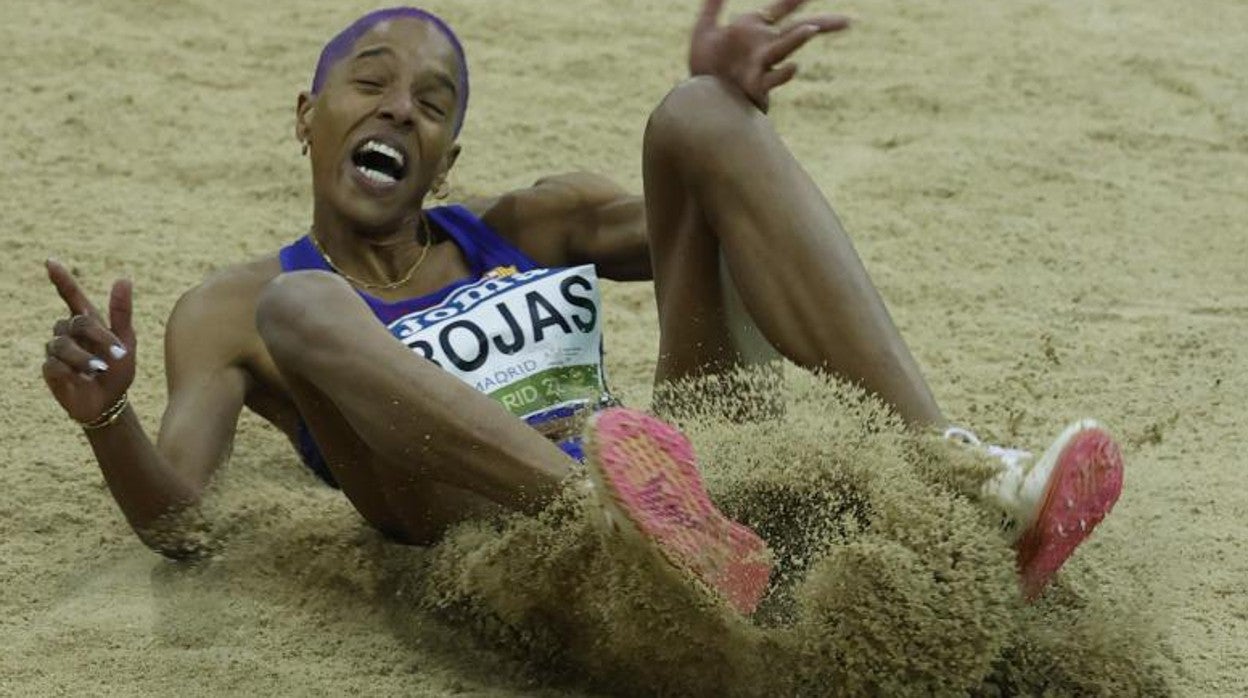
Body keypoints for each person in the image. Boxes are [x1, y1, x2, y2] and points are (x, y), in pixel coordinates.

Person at [41, 1, 1121, 614]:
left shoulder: (526, 224)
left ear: (445, 159)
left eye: (431, 103)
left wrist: (733, 118)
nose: (396, 109)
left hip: (690, 468)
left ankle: (960, 470)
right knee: (306, 304)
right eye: (369, 82)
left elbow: (729, 227)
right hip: (490, 519)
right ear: (307, 116)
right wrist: (108, 416)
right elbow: (182, 518)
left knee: (692, 117)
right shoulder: (240, 306)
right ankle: (635, 518)